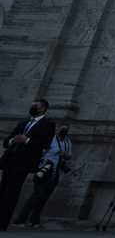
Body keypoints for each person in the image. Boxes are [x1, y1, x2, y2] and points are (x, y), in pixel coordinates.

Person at [0, 98, 56, 231]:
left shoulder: (47, 124)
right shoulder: (23, 122)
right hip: (10, 159)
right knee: (2, 190)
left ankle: (2, 223)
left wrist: (27, 140)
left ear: (43, 108)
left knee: (12, 192)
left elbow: (45, 144)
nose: (32, 108)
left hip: (24, 162)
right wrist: (13, 140)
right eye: (32, 105)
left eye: (35, 106)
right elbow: (7, 140)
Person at [13, 124, 73, 229]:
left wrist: (65, 155)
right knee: (36, 195)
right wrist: (60, 153)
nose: (64, 130)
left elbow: (69, 155)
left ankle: (34, 221)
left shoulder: (67, 141)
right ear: (57, 129)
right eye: (62, 128)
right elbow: (49, 150)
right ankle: (20, 220)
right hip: (43, 170)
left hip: (55, 172)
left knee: (44, 198)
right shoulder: (50, 138)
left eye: (66, 129)